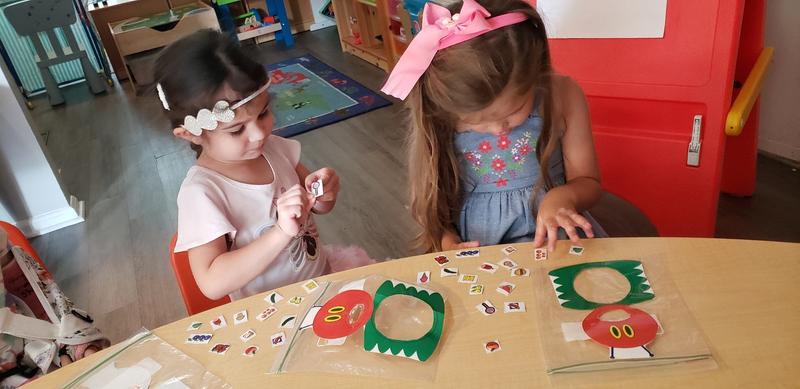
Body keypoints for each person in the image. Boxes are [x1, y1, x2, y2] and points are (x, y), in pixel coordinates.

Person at [155, 30, 371, 301]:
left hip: (323, 284)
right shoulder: (202, 192)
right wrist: (280, 232)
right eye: (236, 130)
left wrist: (324, 193)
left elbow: (318, 207)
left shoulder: (274, 149)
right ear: (191, 134)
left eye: (264, 113)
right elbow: (211, 283)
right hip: (275, 316)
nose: (259, 133)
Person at [383, 0, 606, 253]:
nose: (498, 129)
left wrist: (565, 197)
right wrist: (445, 240)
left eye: (511, 113)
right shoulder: (440, 116)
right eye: (474, 123)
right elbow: (428, 202)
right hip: (481, 249)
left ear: (534, 76)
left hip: (557, 240)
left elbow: (588, 182)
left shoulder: (562, 94)